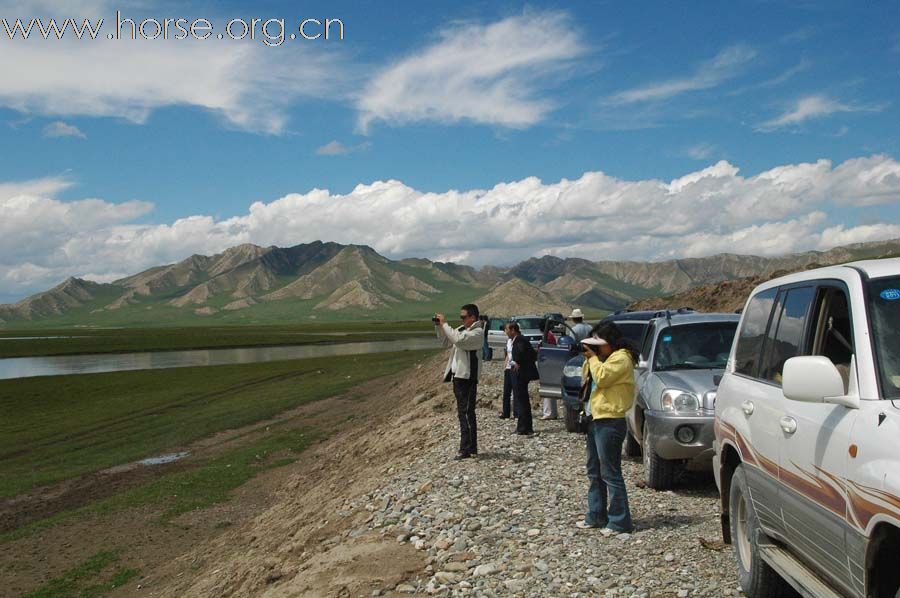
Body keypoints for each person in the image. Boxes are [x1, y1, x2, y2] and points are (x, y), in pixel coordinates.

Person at [575, 323, 638, 534]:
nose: (596, 349)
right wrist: (590, 358)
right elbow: (588, 379)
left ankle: (620, 521)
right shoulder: (602, 360)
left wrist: (593, 358)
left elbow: (602, 378)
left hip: (610, 420)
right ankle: (596, 515)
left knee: (610, 472)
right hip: (595, 418)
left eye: (598, 345)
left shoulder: (622, 358)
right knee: (594, 471)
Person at [435, 304, 484, 460]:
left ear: (472, 317)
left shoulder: (477, 333)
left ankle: (467, 448)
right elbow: (446, 342)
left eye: (463, 317)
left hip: (468, 378)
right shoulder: (464, 330)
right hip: (458, 377)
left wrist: (445, 324)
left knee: (467, 413)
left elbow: (457, 339)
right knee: (463, 413)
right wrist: (439, 328)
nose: (461, 320)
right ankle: (470, 447)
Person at [507, 321, 539, 435]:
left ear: (513, 330)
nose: (506, 332)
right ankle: (524, 427)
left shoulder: (520, 340)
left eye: (507, 330)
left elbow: (522, 354)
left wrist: (517, 362)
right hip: (520, 373)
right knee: (522, 400)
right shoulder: (518, 340)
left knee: (521, 400)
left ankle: (524, 428)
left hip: (521, 374)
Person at [499, 322, 518, 419]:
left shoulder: (518, 341)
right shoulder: (509, 341)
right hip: (508, 367)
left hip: (515, 367)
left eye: (506, 329)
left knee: (516, 391)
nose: (505, 331)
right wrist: (505, 363)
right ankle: (505, 412)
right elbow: (508, 353)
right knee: (506, 391)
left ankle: (517, 413)